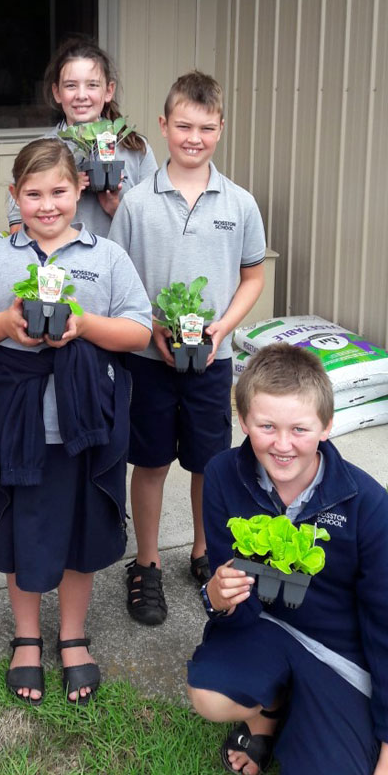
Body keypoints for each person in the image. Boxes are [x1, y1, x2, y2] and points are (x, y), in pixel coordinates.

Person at [187, 344, 388, 775]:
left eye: (300, 429)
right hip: (266, 628)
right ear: (243, 418)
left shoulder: (367, 504)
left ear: (327, 425)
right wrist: (216, 594)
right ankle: (271, 713)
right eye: (266, 426)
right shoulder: (223, 476)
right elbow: (226, 605)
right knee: (208, 695)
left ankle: (311, 717)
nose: (282, 444)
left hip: (339, 655)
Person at [0, 138, 152, 705]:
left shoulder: (106, 256)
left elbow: (137, 331)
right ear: (14, 196)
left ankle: (73, 636)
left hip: (84, 416)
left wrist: (85, 325)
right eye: (32, 193)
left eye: (58, 191)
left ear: (79, 188)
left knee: (80, 526)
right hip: (18, 419)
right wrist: (4, 325)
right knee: (21, 523)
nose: (46, 204)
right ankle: (27, 637)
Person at [108, 70, 266, 624]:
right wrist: (150, 326)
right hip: (149, 361)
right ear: (163, 126)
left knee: (209, 463)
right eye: (182, 126)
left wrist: (222, 329)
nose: (193, 137)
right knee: (149, 462)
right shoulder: (135, 204)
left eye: (205, 127)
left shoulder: (240, 203)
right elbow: (120, 278)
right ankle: (146, 563)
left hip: (212, 361)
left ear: (221, 127)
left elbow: (252, 276)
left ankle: (205, 552)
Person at [7, 38, 157, 237]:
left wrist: (114, 207)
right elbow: (17, 230)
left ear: (108, 91)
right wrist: (61, 187)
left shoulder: (135, 148)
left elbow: (155, 228)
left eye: (92, 85)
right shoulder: (39, 152)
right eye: (71, 86)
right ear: (57, 92)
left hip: (120, 264)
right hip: (58, 266)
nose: (81, 95)